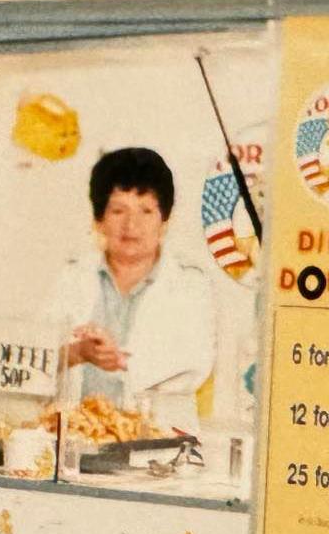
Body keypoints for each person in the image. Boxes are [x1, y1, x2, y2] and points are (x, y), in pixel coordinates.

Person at [48, 147, 216, 429]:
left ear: (164, 221)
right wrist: (78, 353)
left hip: (160, 448)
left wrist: (120, 359)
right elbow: (38, 352)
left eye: (146, 211)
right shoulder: (73, 275)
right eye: (118, 210)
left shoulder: (191, 285)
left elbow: (195, 365)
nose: (131, 225)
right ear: (99, 220)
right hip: (78, 441)